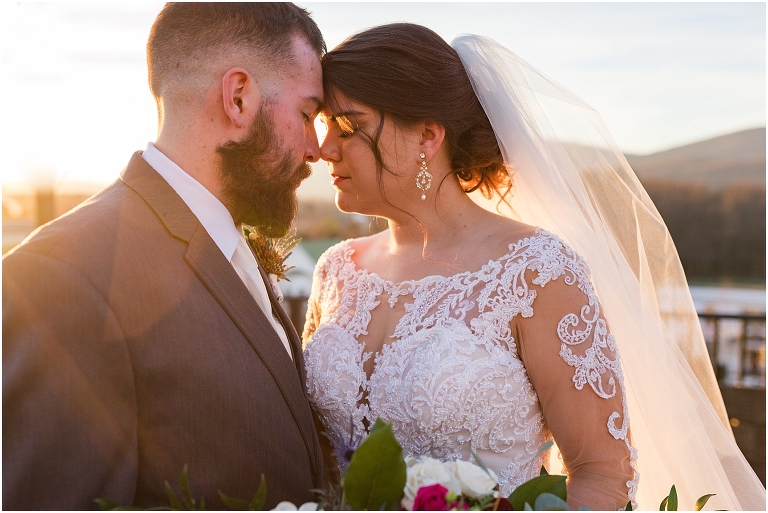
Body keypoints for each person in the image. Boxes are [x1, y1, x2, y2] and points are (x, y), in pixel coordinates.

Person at [302, 23, 766, 510]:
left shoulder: (536, 272)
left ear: (427, 135)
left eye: (349, 126)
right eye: (324, 124)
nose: (324, 147)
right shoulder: (337, 270)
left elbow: (602, 473)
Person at [3, 3, 325, 509]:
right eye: (306, 115)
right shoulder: (61, 274)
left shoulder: (232, 244)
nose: (316, 148)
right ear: (238, 98)